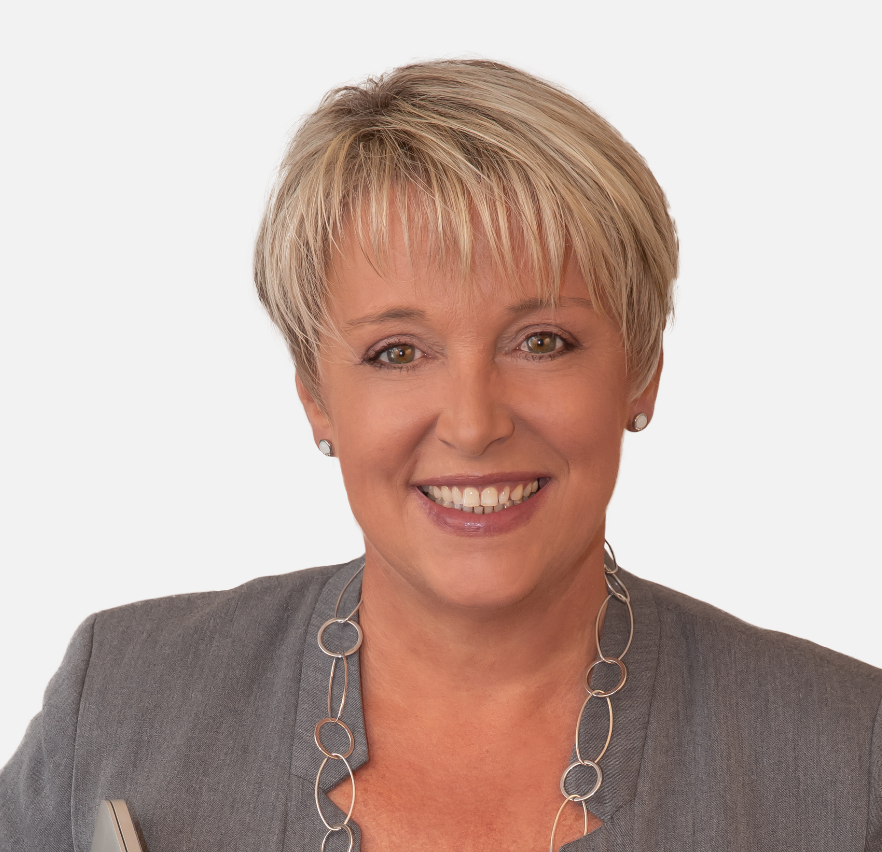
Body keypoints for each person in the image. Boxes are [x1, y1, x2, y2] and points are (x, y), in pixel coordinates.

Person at [1, 59, 880, 852]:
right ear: (316, 395)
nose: (472, 422)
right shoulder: (121, 701)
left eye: (541, 342)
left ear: (642, 371)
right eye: (397, 353)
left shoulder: (850, 757)